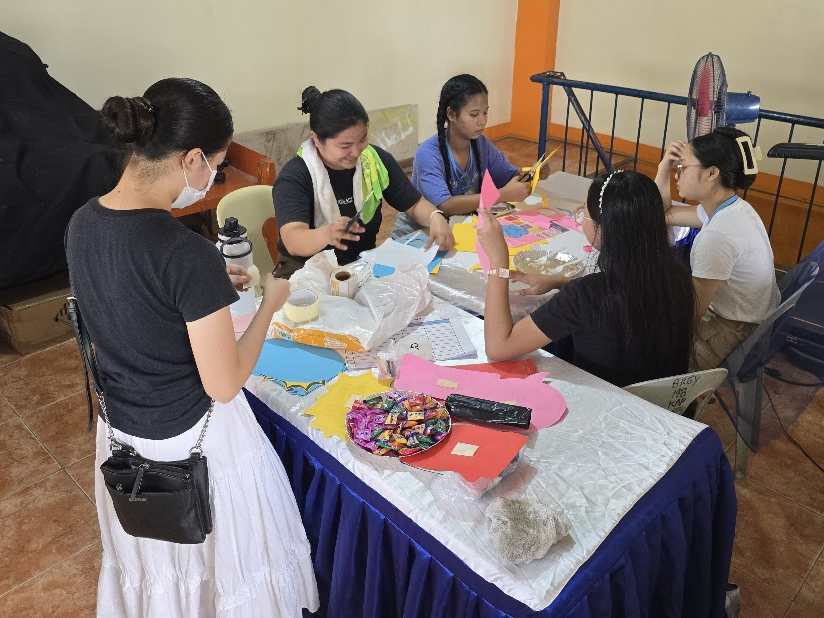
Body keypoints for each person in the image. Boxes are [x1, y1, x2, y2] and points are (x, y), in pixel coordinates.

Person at [65, 78, 319, 617]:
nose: (211, 182)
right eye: (217, 168)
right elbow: (223, 385)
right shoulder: (185, 253)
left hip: (122, 435)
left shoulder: (83, 223)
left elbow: (131, 301)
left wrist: (205, 289)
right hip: (190, 444)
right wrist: (269, 306)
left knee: (161, 572)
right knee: (221, 569)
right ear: (192, 159)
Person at [477, 170, 695, 387]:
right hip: (659, 402)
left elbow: (499, 347)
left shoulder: (586, 295)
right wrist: (561, 281)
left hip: (604, 402)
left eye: (584, 213)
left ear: (604, 228)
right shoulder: (677, 275)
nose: (581, 220)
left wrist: (498, 263)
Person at [272, 87, 454, 278]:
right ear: (317, 139)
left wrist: (434, 216)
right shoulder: (296, 177)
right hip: (305, 274)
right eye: (345, 145)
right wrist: (325, 234)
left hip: (360, 266)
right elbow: (293, 239)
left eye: (362, 139)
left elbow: (414, 204)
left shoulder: (374, 162)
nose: (356, 151)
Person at [656, 126, 780, 370]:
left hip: (733, 332)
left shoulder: (717, 236)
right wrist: (662, 169)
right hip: (754, 318)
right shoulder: (734, 207)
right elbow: (664, 214)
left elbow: (692, 312)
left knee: (641, 346)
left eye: (682, 167)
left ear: (712, 172)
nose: (676, 174)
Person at [392, 74, 530, 239]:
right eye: (474, 114)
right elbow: (445, 205)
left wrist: (530, 174)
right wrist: (502, 195)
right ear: (451, 114)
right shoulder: (428, 153)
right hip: (418, 233)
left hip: (457, 227)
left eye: (485, 113)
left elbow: (508, 176)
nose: (482, 121)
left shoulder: (481, 144)